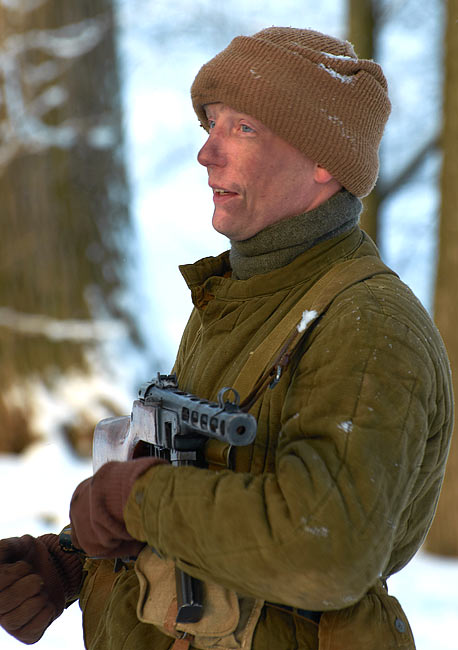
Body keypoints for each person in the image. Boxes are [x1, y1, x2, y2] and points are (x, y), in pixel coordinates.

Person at [0, 26, 453, 650]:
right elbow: (202, 478)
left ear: (325, 161)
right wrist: (73, 558)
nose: (207, 152)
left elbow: (326, 549)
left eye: (243, 128)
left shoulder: (367, 325)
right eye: (211, 123)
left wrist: (137, 500)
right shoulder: (239, 296)